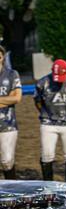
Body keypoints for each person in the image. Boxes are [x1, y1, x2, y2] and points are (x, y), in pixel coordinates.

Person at [34, 59, 66, 182]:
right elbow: (37, 101)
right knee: (47, 155)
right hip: (48, 123)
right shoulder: (42, 83)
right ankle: (49, 188)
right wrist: (46, 113)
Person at [0, 46, 22, 179]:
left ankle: (12, 191)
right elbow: (11, 98)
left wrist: (11, 99)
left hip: (8, 124)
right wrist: (6, 99)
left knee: (7, 161)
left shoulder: (12, 74)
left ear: (2, 58)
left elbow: (17, 98)